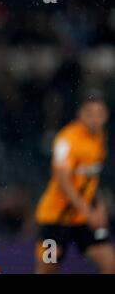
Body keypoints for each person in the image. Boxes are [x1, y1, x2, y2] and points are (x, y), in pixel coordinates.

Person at [35, 90, 115, 273]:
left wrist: (99, 206)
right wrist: (90, 213)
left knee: (109, 262)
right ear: (81, 114)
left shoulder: (100, 137)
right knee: (48, 268)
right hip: (56, 219)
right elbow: (64, 183)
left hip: (82, 220)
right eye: (90, 114)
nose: (95, 119)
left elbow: (91, 179)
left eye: (100, 114)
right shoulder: (66, 140)